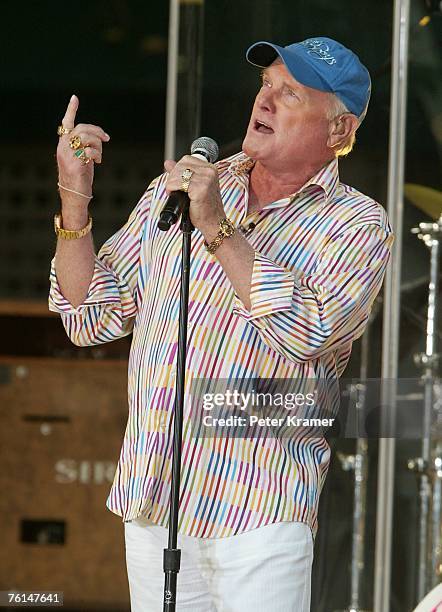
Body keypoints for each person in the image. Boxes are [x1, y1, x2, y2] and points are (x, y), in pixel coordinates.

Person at [49, 36, 393, 611]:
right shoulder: (181, 189)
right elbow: (91, 315)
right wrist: (76, 199)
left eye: (290, 93)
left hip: (259, 510)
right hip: (158, 499)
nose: (266, 101)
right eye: (265, 86)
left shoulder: (357, 225)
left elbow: (308, 333)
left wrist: (216, 228)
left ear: (338, 131)